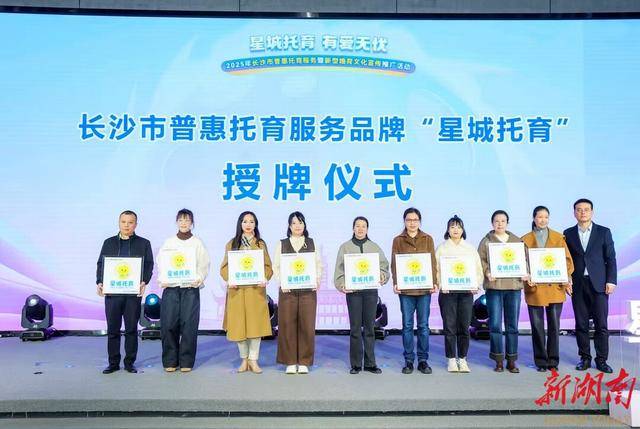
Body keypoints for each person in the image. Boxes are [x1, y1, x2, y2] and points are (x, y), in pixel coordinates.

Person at [96, 210, 153, 374]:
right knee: (113, 329)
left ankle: (129, 363)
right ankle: (113, 363)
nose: (126, 225)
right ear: (119, 223)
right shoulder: (109, 242)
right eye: (123, 222)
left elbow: (148, 265)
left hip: (132, 294)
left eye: (130, 222)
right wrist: (99, 282)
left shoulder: (144, 243)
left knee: (131, 329)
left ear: (136, 224)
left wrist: (144, 281)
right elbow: (101, 264)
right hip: (112, 294)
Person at [564, 198, 617, 373]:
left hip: (599, 284)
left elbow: (610, 258)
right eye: (579, 210)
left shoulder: (603, 232)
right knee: (581, 324)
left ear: (592, 212)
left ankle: (601, 360)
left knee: (601, 324)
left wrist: (611, 280)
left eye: (586, 209)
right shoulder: (568, 233)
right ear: (574, 213)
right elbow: (565, 260)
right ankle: (585, 358)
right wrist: (567, 280)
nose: (583, 212)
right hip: (578, 284)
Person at [334, 216, 390, 374]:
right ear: (353, 228)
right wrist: (342, 284)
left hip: (371, 293)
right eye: (357, 226)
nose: (360, 229)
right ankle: (356, 364)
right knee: (355, 328)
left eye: (363, 226)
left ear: (367, 229)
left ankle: (371, 363)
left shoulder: (374, 247)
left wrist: (382, 275)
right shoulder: (345, 247)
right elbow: (339, 270)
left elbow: (384, 267)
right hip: (354, 293)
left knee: (370, 328)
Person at [522, 206, 574, 372]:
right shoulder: (525, 239)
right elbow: (522, 262)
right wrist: (527, 275)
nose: (543, 220)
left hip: (555, 286)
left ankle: (553, 360)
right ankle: (541, 361)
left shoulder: (559, 237)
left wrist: (566, 278)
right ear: (534, 218)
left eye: (546, 217)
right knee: (537, 326)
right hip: (535, 287)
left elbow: (567, 261)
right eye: (540, 217)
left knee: (554, 325)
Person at [158, 209, 210, 373]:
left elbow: (204, 264)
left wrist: (199, 277)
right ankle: (170, 360)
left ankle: (186, 360)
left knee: (189, 325)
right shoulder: (169, 242)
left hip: (190, 289)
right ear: (176, 222)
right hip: (171, 288)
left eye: (187, 220)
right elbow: (161, 262)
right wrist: (164, 278)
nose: (184, 223)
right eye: (181, 220)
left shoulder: (197, 243)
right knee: (168, 324)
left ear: (192, 223)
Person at [220, 211, 273, 374]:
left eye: (251, 221)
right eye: (245, 221)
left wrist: (265, 277)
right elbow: (224, 267)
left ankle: (253, 360)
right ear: (240, 224)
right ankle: (244, 360)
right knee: (239, 327)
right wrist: (230, 279)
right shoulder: (232, 243)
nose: (248, 224)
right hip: (237, 291)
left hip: (255, 291)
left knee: (255, 327)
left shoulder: (260, 244)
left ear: (255, 224)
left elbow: (268, 266)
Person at [478, 210, 528, 373]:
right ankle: (498, 359)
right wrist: (487, 272)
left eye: (503, 221)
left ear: (507, 223)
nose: (500, 224)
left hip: (513, 288)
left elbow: (525, 260)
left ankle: (511, 360)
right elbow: (480, 261)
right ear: (492, 223)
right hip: (494, 288)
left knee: (512, 325)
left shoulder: (516, 241)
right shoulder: (486, 241)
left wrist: (525, 272)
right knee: (495, 325)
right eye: (496, 221)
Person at [273, 211, 321, 374]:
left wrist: (316, 280)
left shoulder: (312, 243)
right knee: (287, 324)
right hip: (288, 291)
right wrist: (282, 282)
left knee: (307, 325)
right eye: (294, 223)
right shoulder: (282, 244)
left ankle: (304, 361)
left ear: (304, 225)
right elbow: (276, 266)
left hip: (308, 290)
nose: (297, 226)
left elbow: (318, 264)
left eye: (300, 222)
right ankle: (290, 361)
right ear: (289, 226)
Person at [390, 208, 437, 375]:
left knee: (423, 326)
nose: (412, 223)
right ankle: (409, 360)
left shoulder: (427, 238)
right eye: (409, 220)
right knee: (407, 325)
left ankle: (423, 360)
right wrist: (396, 282)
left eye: (415, 220)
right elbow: (395, 264)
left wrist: (434, 282)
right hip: (406, 290)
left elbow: (432, 262)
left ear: (419, 221)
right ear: (404, 221)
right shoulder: (398, 240)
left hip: (424, 289)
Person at [435, 215, 483, 373]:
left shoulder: (469, 248)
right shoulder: (442, 248)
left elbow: (477, 270)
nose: (455, 230)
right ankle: (451, 359)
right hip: (447, 293)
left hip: (466, 293)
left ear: (463, 230)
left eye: (458, 227)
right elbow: (436, 270)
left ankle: (462, 359)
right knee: (449, 327)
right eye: (452, 227)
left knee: (464, 326)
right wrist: (441, 284)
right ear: (448, 230)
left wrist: (475, 284)